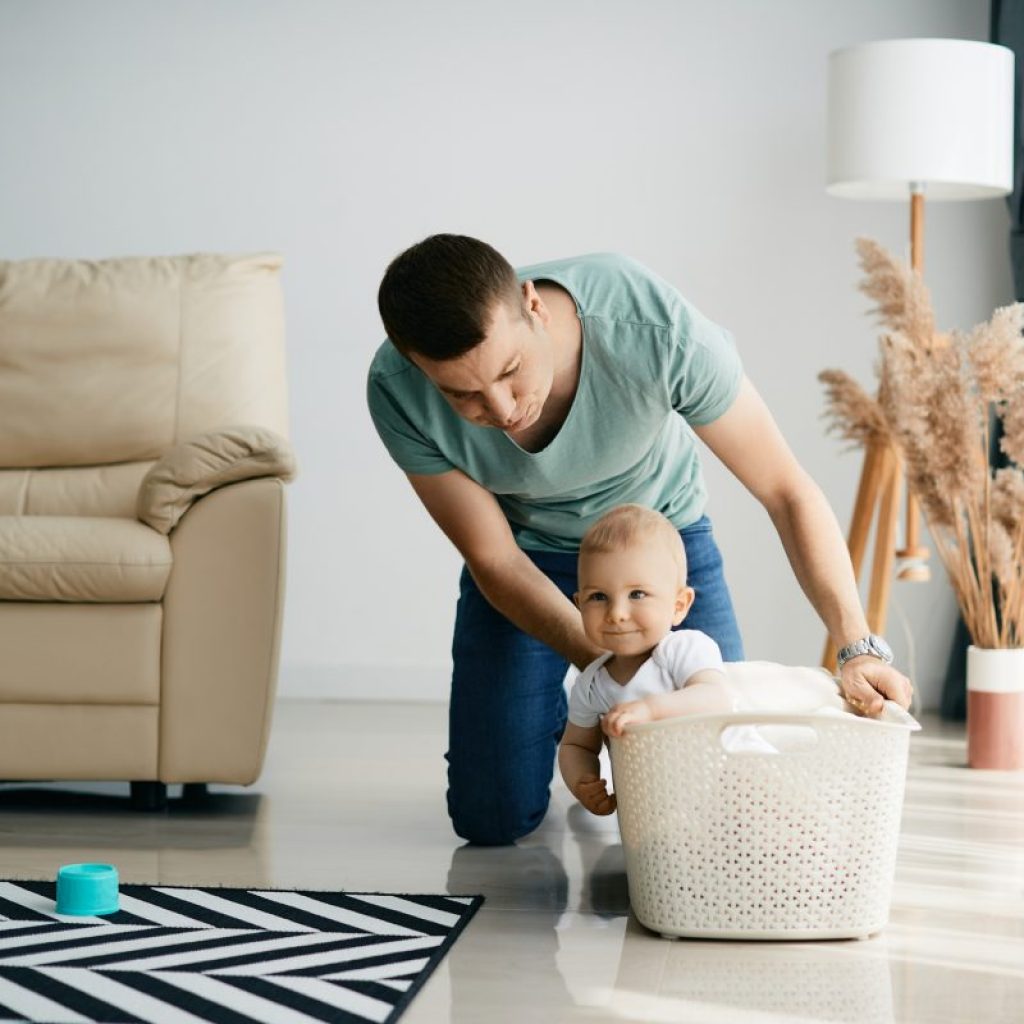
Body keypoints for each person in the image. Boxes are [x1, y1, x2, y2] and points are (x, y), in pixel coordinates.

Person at [367, 233, 913, 846]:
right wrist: (610, 678)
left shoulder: (650, 325)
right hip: (526, 562)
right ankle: (542, 709)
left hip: (658, 549)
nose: (500, 408)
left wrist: (856, 645)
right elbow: (494, 558)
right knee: (490, 819)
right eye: (461, 394)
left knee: (722, 778)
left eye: (510, 370)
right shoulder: (395, 388)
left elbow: (786, 490)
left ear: (534, 306)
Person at [559, 504, 770, 816]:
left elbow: (716, 697)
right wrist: (582, 781)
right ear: (579, 605)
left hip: (744, 780)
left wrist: (650, 709)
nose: (617, 613)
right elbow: (576, 745)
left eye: (637, 594)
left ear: (679, 605)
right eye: (598, 597)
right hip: (677, 804)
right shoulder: (592, 684)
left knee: (779, 824)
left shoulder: (683, 648)